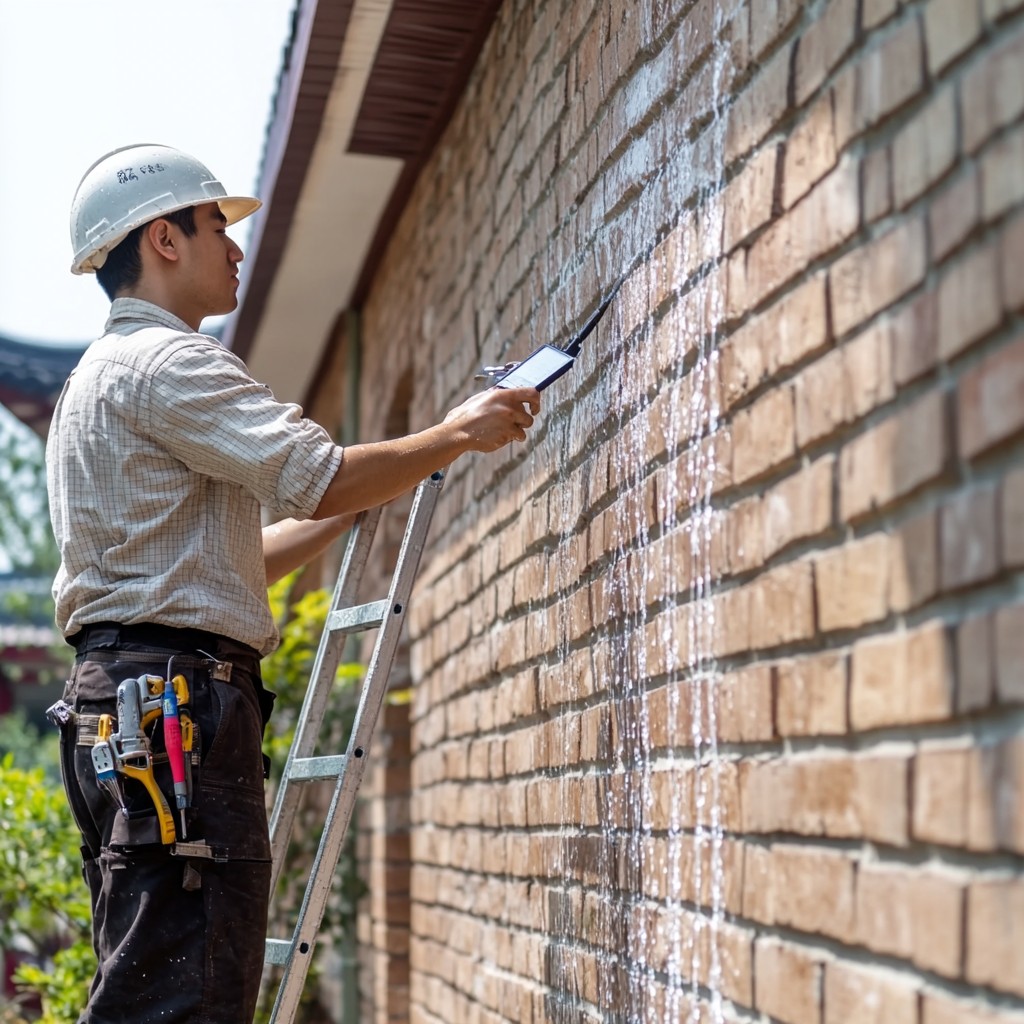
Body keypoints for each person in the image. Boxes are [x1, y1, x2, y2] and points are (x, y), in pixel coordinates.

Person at [46, 143, 541, 1024]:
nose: (235, 248)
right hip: (174, 707)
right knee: (183, 999)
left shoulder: (93, 382)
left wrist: (374, 489)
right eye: (215, 227)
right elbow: (319, 473)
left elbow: (225, 560)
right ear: (163, 238)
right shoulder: (171, 365)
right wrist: (455, 433)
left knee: (154, 974)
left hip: (120, 699)